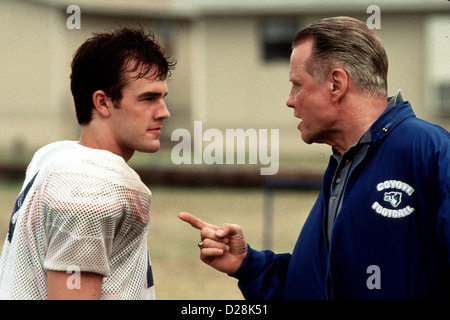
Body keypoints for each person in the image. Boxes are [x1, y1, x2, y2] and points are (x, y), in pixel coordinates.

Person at [179, 16, 450, 299]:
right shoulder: (343, 163)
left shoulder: (432, 152)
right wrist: (248, 265)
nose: (289, 99)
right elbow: (316, 286)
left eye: (297, 84)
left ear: (336, 84)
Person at [0, 27, 175, 299]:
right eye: (148, 98)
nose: (164, 112)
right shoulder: (90, 184)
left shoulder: (55, 156)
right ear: (103, 102)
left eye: (162, 97)